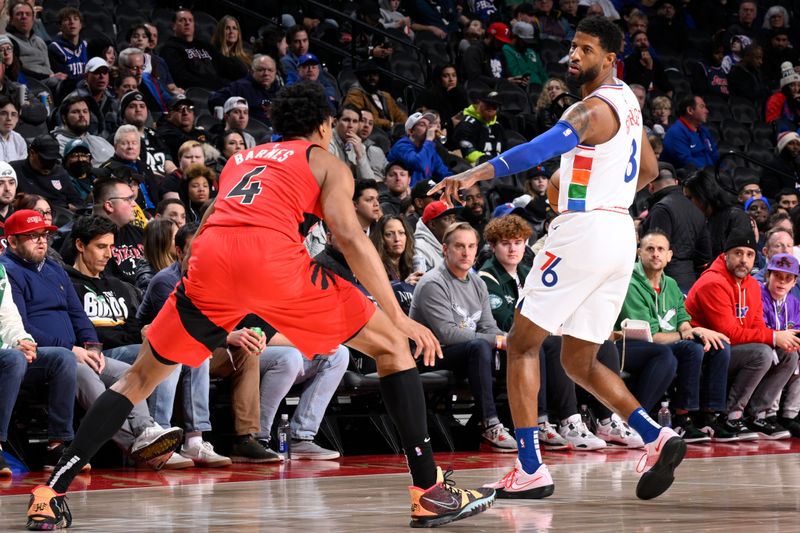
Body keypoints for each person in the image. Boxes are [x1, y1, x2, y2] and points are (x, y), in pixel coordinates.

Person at [27, 81, 495, 530]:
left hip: (209, 261)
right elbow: (349, 237)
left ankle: (51, 493)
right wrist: (398, 315)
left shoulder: (242, 158)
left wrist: (198, 283)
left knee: (137, 378)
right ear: (326, 125)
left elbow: (207, 220)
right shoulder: (326, 161)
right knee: (393, 347)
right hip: (270, 260)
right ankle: (429, 490)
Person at [429, 16, 680, 501]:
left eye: (585, 49)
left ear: (610, 58)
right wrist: (601, 190)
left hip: (584, 232)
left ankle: (529, 468)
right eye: (572, 47)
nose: (573, 56)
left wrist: (475, 174)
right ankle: (655, 435)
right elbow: (648, 168)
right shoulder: (629, 101)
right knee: (579, 360)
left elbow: (539, 149)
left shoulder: (590, 111)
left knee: (522, 344)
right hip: (619, 232)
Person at [1, 209, 182, 473]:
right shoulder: (9, 271)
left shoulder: (54, 269)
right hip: (44, 354)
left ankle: (147, 432)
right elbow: (22, 327)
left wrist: (92, 347)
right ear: (12, 241)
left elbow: (78, 314)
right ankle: (136, 446)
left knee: (130, 372)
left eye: (43, 235)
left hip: (77, 352)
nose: (41, 241)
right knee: (83, 373)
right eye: (31, 236)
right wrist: (72, 350)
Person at [410, 221, 517, 452]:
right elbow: (447, 333)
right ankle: (489, 424)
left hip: (468, 353)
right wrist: (499, 341)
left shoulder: (477, 282)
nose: (466, 252)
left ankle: (540, 422)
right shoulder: (433, 283)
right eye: (459, 246)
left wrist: (512, 341)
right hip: (430, 355)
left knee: (525, 350)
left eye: (471, 246)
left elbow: (489, 326)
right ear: (445, 250)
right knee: (480, 346)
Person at [616, 230, 733, 442]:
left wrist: (693, 331)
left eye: (661, 249)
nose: (655, 254)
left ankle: (710, 417)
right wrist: (686, 333)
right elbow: (649, 335)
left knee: (718, 345)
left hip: (669, 342)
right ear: (639, 253)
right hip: (635, 346)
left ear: (670, 255)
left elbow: (683, 318)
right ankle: (683, 420)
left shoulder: (670, 284)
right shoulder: (629, 283)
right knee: (691, 348)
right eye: (650, 249)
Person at [685, 229, 799, 439]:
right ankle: (731, 415)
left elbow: (756, 327)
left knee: (788, 353)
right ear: (725, 255)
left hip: (730, 349)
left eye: (749, 255)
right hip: (704, 352)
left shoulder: (751, 286)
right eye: (738, 253)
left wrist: (778, 339)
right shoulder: (713, 282)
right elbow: (728, 333)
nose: (744, 260)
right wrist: (775, 336)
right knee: (762, 353)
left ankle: (759, 414)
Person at [640, 162, 711, 292]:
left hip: (665, 284)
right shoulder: (696, 210)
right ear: (677, 182)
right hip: (691, 282)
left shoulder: (661, 210)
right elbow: (704, 255)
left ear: (650, 187)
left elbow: (654, 254)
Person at [760, 253, 800, 437]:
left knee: (795, 356)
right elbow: (758, 328)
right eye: (778, 276)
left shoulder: (794, 302)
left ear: (794, 282)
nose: (782, 282)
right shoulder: (759, 296)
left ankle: (791, 414)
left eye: (788, 278)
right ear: (768, 275)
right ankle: (769, 412)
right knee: (784, 356)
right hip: (766, 347)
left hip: (787, 348)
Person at [11, 134, 82, 212]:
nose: (49, 165)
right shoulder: (14, 170)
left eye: (53, 161)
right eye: (44, 160)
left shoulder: (61, 172)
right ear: (32, 153)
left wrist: (74, 208)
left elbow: (77, 202)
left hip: (60, 216)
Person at [208, 54, 281, 127]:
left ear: (275, 73)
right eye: (261, 70)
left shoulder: (280, 91)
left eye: (270, 70)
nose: (266, 73)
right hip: (250, 131)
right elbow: (215, 99)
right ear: (252, 72)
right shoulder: (240, 86)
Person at [370, 214, 422, 313]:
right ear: (381, 239)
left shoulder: (412, 263)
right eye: (389, 234)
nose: (397, 239)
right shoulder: (373, 267)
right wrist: (403, 287)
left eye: (401, 233)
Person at [387, 111, 452, 186]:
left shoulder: (429, 149)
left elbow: (443, 172)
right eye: (422, 125)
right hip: (406, 193)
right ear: (411, 131)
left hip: (424, 192)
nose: (428, 129)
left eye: (429, 125)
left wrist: (457, 182)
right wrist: (429, 140)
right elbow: (419, 163)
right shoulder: (401, 146)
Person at [51, 94, 114, 166]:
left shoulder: (100, 141)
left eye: (85, 111)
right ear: (64, 118)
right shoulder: (57, 144)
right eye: (75, 112)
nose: (82, 115)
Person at [661, 95, 718, 170]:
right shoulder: (675, 133)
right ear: (690, 110)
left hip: (710, 175)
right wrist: (712, 173)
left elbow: (715, 155)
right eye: (702, 107)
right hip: (692, 177)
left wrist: (723, 172)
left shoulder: (704, 131)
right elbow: (686, 162)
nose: (706, 111)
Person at [452, 90, 508, 166]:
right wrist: (493, 163)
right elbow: (468, 153)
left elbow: (506, 152)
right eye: (488, 104)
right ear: (478, 103)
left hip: (498, 170)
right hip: (476, 171)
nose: (491, 108)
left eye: (494, 106)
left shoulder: (498, 127)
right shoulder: (466, 125)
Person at [329, 105, 375, 182]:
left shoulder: (359, 146)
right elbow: (330, 177)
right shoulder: (327, 140)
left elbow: (370, 181)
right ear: (335, 122)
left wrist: (360, 155)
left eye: (355, 121)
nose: (350, 125)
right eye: (346, 120)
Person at [413, 200, 461, 272]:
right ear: (432, 224)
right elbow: (421, 280)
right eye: (447, 218)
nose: (453, 222)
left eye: (453, 218)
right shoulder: (419, 248)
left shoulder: (452, 244)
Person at [0, 95, 26, 162]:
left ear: (17, 118)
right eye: (3, 114)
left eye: (13, 114)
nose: (9, 118)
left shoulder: (19, 140)